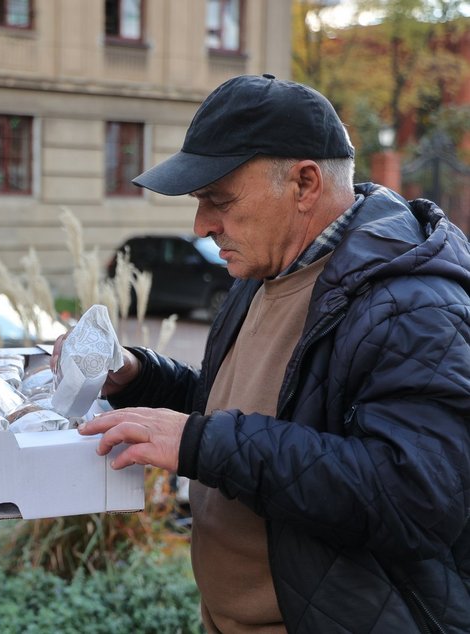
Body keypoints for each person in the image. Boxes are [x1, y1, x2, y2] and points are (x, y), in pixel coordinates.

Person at [64, 74, 470, 632]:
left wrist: (198, 444)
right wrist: (138, 376)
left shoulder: (411, 305)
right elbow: (244, 409)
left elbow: (416, 497)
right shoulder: (264, 270)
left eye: (219, 200)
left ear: (304, 184)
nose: (202, 226)